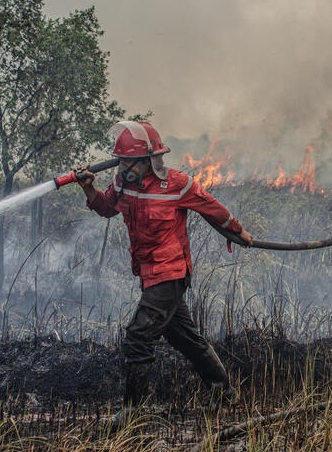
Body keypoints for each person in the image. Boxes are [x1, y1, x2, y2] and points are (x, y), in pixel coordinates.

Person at [76, 120, 254, 428]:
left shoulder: (178, 184)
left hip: (171, 272)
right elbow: (106, 208)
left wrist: (239, 233)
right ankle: (223, 392)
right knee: (184, 336)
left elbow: (213, 208)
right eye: (121, 161)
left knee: (138, 335)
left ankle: (132, 412)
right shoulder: (122, 184)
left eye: (129, 162)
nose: (123, 167)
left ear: (149, 160)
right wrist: (88, 187)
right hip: (149, 274)